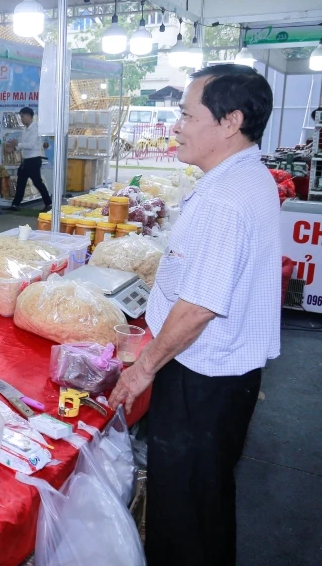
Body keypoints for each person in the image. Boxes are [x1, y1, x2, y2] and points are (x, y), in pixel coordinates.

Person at [110, 64, 279, 566]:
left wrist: (142, 369)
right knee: (203, 504)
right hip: (222, 376)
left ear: (230, 121)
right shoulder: (243, 177)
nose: (176, 126)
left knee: (186, 514)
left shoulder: (227, 199)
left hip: (203, 380)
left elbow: (200, 306)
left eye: (186, 114)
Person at [6, 106, 52, 210]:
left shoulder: (35, 129)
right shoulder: (25, 130)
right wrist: (14, 148)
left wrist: (17, 145)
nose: (21, 119)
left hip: (34, 160)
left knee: (37, 182)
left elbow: (30, 145)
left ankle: (49, 203)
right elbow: (23, 145)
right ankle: (15, 205)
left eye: (22, 117)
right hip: (26, 160)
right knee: (21, 182)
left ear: (28, 116)